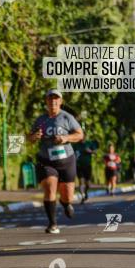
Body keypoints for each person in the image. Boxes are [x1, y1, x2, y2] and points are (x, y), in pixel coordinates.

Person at [27, 89, 84, 234]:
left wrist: (65, 138)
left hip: (66, 160)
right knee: (50, 187)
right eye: (50, 99)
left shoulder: (67, 117)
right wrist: (34, 136)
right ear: (46, 102)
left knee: (67, 195)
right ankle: (53, 224)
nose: (53, 101)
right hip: (47, 160)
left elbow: (80, 135)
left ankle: (66, 204)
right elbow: (29, 138)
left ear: (60, 101)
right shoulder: (40, 119)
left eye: (56, 99)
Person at [74, 133, 98, 202]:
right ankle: (82, 196)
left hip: (87, 165)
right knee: (81, 182)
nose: (81, 138)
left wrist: (90, 151)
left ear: (85, 136)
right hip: (79, 166)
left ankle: (86, 192)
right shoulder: (75, 145)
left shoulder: (89, 143)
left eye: (83, 136)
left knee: (88, 184)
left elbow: (95, 152)